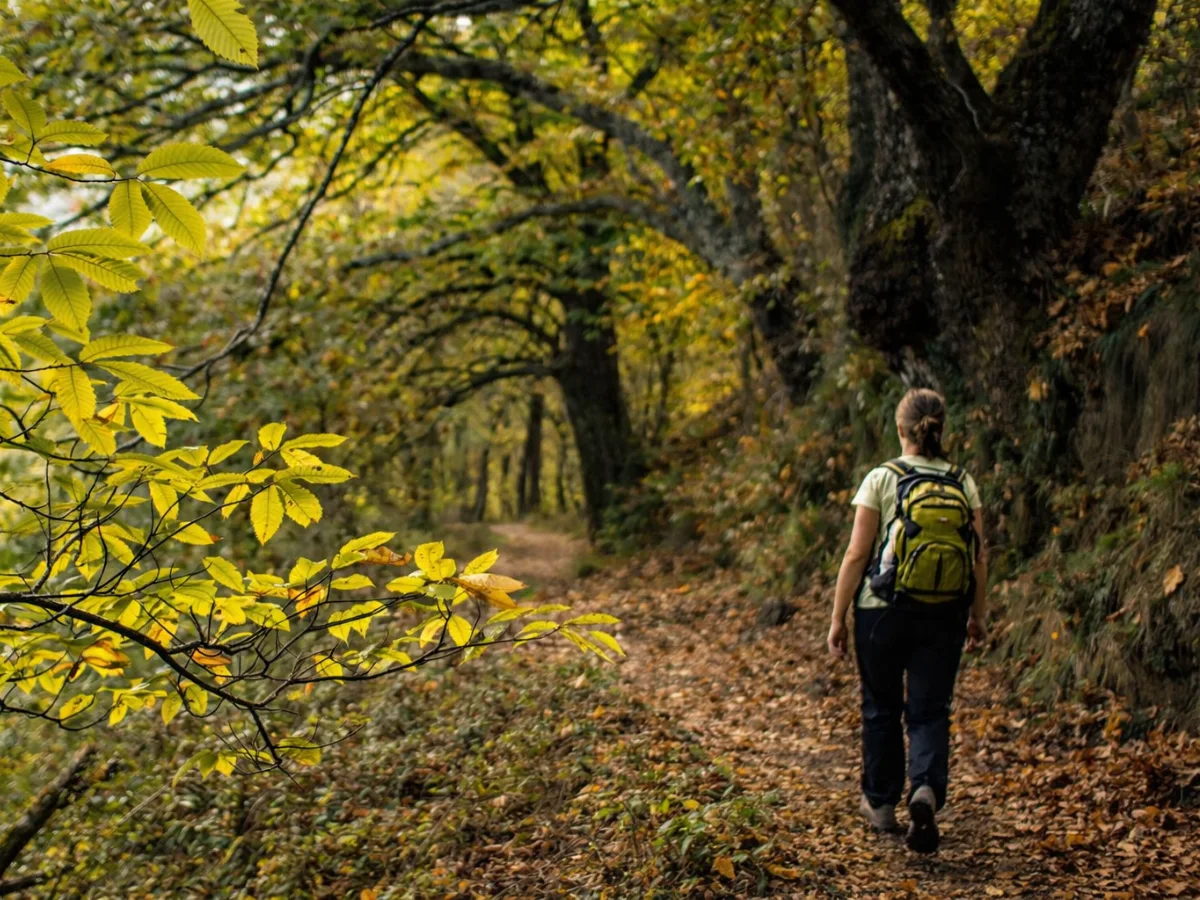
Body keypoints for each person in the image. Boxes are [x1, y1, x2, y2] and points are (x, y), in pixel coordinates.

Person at [827, 388, 988, 854]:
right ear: (941, 428)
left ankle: (880, 803)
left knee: (880, 706)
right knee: (930, 709)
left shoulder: (882, 476)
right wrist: (977, 616)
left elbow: (858, 553)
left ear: (900, 429)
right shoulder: (963, 480)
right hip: (945, 614)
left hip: (882, 611)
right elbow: (979, 558)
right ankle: (925, 789)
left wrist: (838, 616)